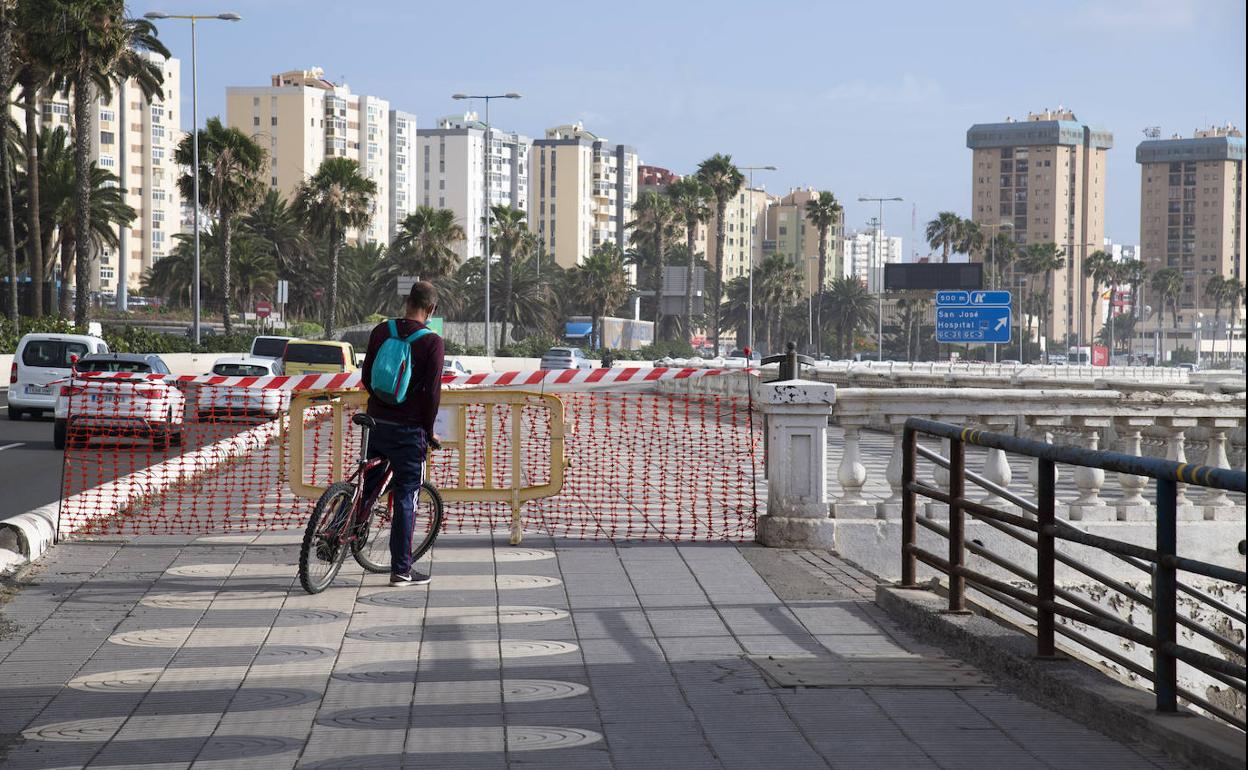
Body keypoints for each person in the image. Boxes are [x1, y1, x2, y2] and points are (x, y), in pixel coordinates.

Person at [360, 280, 444, 586]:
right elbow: (432, 394)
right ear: (431, 309)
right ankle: (401, 569)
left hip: (375, 422)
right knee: (407, 494)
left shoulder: (382, 331)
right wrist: (429, 429)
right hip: (409, 431)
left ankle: (343, 532)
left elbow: (367, 376)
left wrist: (382, 404)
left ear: (408, 302)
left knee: (367, 485)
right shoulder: (431, 342)